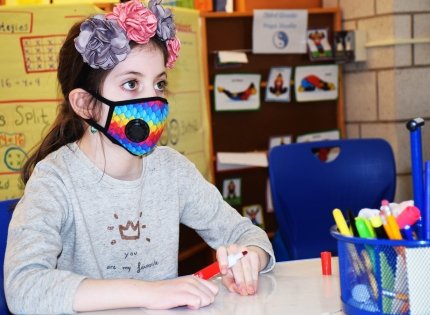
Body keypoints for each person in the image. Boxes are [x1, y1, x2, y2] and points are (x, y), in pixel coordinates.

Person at [4, 0, 275, 314]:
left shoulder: (171, 169)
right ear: (86, 105)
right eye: (131, 84)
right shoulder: (55, 179)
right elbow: (24, 288)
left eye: (159, 84)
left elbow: (247, 233)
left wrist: (252, 255)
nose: (152, 100)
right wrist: (148, 293)